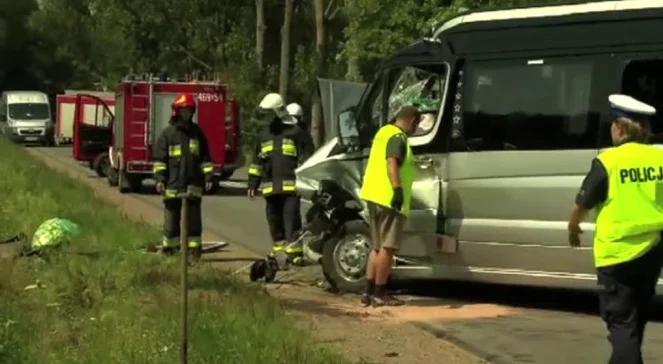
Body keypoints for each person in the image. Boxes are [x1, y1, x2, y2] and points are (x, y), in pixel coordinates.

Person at [568, 94, 663, 364]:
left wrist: (573, 228)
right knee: (636, 319)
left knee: (621, 323)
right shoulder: (660, 158)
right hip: (652, 250)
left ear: (620, 128)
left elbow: (581, 204)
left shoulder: (608, 162)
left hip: (618, 255)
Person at [359, 105, 421, 307]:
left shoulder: (383, 132)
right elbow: (391, 161)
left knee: (376, 248)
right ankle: (380, 293)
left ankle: (367, 292)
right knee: (387, 248)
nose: (416, 128)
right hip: (389, 200)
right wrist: (397, 189)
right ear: (412, 120)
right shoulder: (398, 137)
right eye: (416, 124)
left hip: (373, 196)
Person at [248, 93, 314, 262]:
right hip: (270, 187)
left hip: (291, 187)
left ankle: (295, 254)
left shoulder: (296, 133)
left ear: (278, 112)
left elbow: (308, 158)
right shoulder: (263, 135)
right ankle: (280, 254)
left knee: (291, 219)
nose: (266, 117)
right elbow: (257, 162)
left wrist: (309, 181)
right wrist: (252, 184)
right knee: (274, 221)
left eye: (269, 113)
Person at [153, 93, 214, 260]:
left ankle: (194, 253)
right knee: (171, 223)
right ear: (177, 112)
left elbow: (205, 158)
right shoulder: (167, 135)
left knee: (194, 224)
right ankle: (171, 251)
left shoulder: (198, 134)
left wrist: (208, 177)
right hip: (172, 187)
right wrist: (160, 180)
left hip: (193, 186)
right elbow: (160, 160)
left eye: (189, 111)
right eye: (183, 110)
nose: (186, 114)